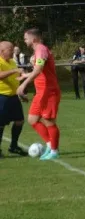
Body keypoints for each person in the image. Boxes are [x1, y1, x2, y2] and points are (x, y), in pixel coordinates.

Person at [16, 29, 62, 160]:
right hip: (41, 92)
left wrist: (24, 84)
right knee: (32, 120)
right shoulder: (37, 51)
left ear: (33, 39)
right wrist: (26, 75)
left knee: (48, 121)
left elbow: (38, 69)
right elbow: (40, 71)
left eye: (26, 38)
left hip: (49, 92)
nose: (25, 41)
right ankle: (49, 144)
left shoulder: (41, 49)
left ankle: (54, 151)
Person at [0, 41, 27, 157]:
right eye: (10, 49)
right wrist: (14, 70)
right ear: (2, 51)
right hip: (2, 96)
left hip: (13, 96)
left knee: (19, 121)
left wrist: (20, 93)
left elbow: (15, 79)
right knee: (1, 124)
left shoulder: (12, 62)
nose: (12, 51)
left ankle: (14, 146)